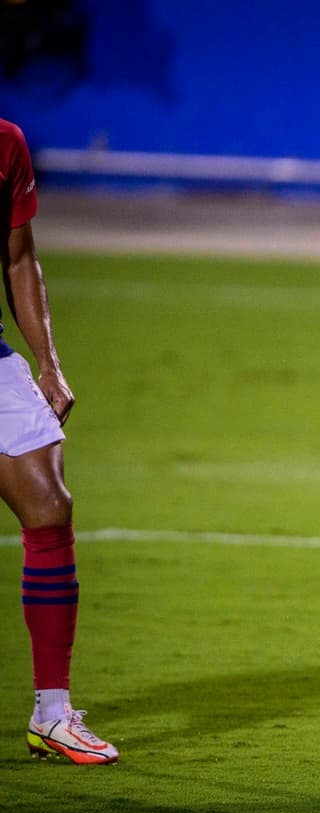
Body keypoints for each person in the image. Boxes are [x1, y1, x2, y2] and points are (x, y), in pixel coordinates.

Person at [1, 117, 117, 764]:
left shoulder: (7, 145)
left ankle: (52, 712)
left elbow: (18, 257)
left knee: (49, 504)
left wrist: (47, 362)